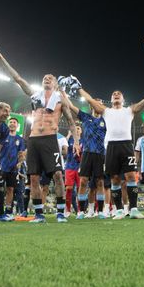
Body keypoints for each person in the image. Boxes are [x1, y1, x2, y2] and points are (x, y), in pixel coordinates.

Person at [0, 47, 77, 223]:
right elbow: (17, 78)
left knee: (58, 176)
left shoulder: (60, 100)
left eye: (50, 78)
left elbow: (70, 122)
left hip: (50, 139)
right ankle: (39, 215)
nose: (46, 79)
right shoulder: (34, 95)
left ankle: (61, 213)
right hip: (33, 140)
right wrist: (1, 60)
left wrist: (76, 141)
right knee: (34, 177)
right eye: (44, 78)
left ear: (55, 83)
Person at [77, 82, 144, 220]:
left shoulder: (129, 110)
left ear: (123, 100)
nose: (116, 95)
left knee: (131, 177)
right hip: (111, 147)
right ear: (111, 99)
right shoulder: (105, 111)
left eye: (119, 94)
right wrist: (79, 89)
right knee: (114, 179)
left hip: (126, 145)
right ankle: (119, 210)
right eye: (114, 94)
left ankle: (133, 209)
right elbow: (90, 99)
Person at [59, 91, 108, 220]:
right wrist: (64, 94)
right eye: (96, 103)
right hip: (86, 153)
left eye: (101, 104)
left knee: (100, 182)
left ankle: (100, 211)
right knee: (84, 182)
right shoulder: (85, 117)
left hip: (100, 154)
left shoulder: (106, 120)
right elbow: (71, 106)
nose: (99, 106)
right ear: (92, 106)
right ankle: (81, 211)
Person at [0, 117, 27, 220]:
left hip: (13, 168)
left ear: (17, 125)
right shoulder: (2, 137)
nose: (12, 124)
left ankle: (8, 211)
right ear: (7, 124)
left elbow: (21, 154)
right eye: (10, 122)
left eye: (14, 122)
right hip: (1, 166)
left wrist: (20, 162)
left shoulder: (20, 139)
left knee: (10, 189)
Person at [63, 126, 82, 217]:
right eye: (75, 129)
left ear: (81, 131)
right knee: (68, 188)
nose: (76, 130)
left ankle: (79, 210)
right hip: (69, 166)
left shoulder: (83, 141)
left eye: (78, 129)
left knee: (80, 189)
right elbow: (63, 148)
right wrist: (69, 134)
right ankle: (67, 209)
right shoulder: (69, 140)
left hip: (80, 167)